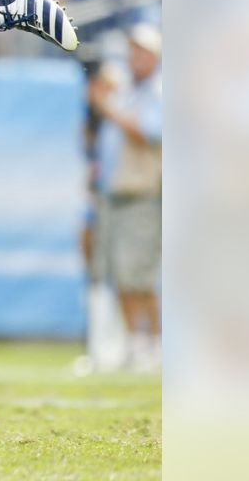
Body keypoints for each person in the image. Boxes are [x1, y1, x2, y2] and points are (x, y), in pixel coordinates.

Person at [89, 24, 162, 371]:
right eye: (132, 51)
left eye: (142, 52)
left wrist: (108, 106)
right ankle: (135, 343)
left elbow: (147, 133)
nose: (136, 58)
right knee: (120, 273)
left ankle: (156, 344)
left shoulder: (159, 92)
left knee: (140, 275)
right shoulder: (129, 92)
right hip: (116, 193)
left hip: (143, 193)